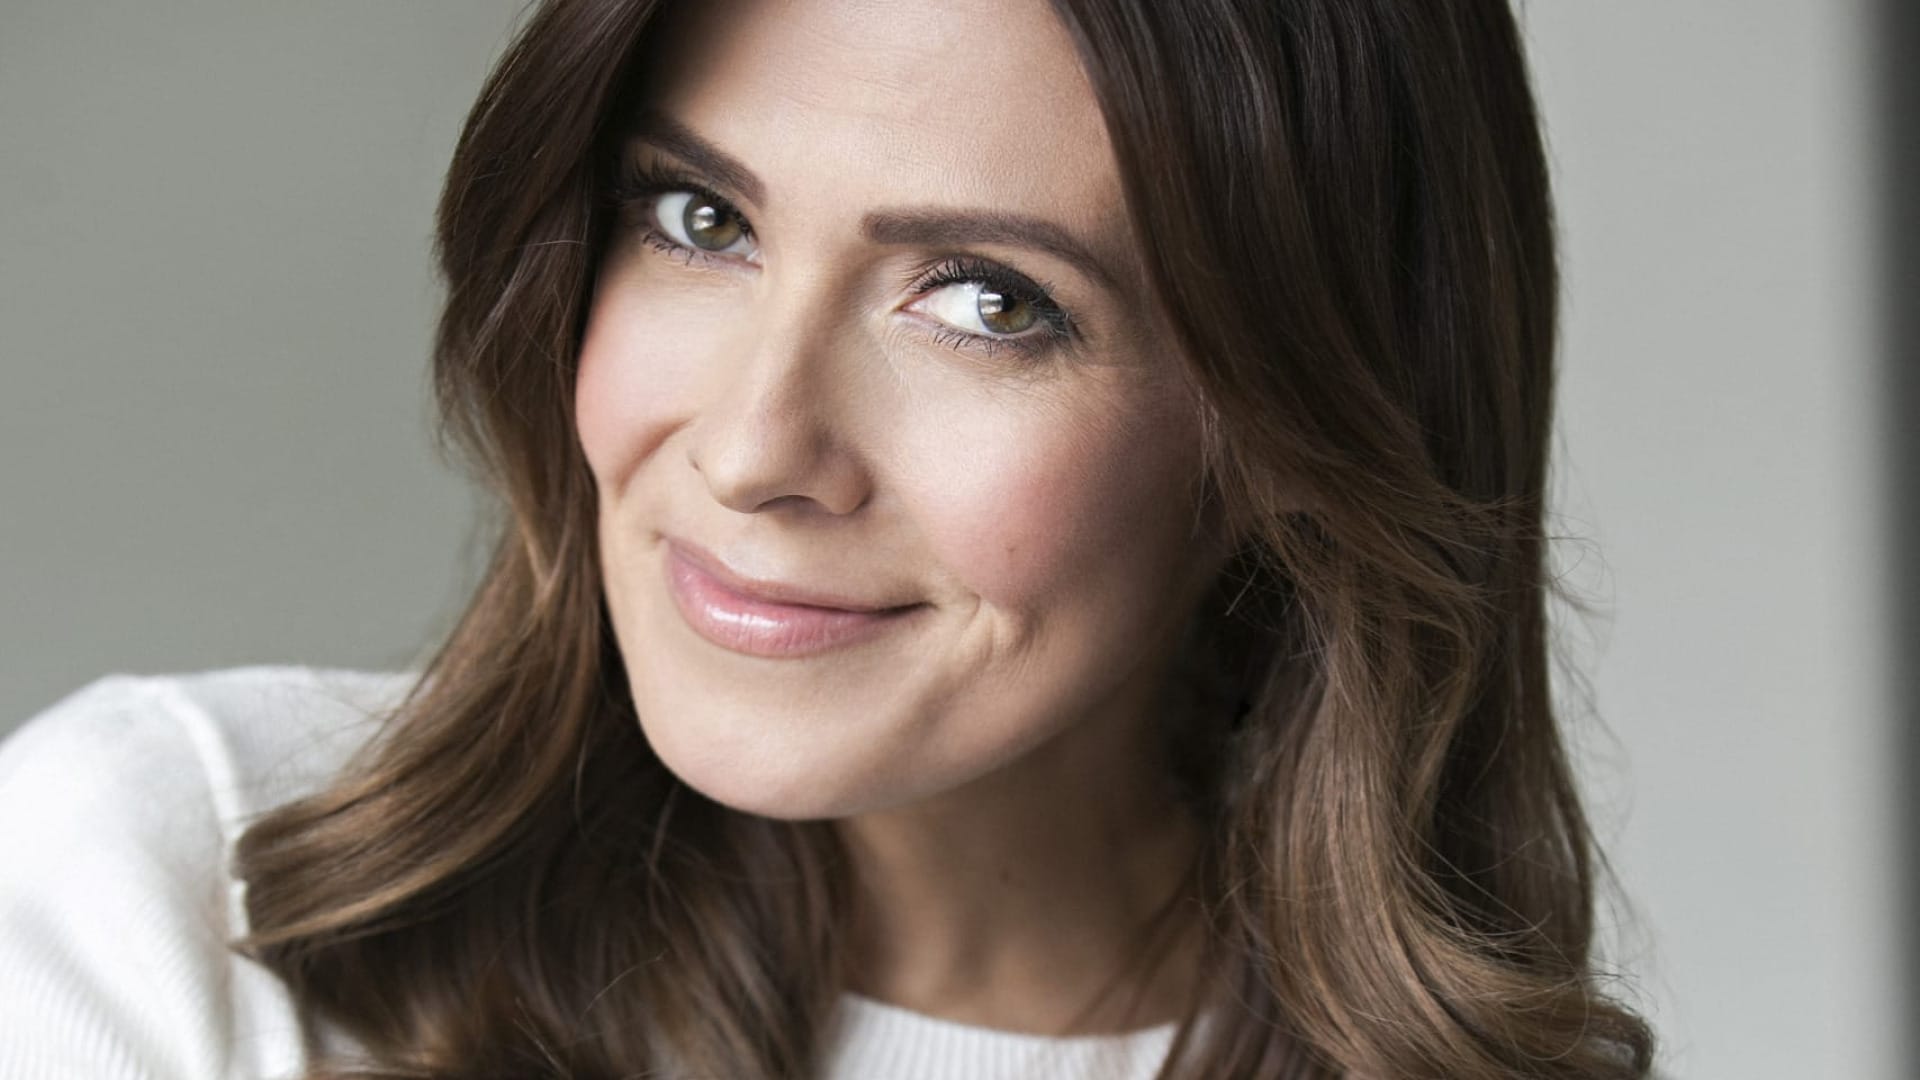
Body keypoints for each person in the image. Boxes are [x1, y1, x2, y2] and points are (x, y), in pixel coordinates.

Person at [0, 0, 1658, 1077]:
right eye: (699, 219)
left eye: (988, 301)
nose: (750, 448)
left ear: (1298, 425)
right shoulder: (162, 891)